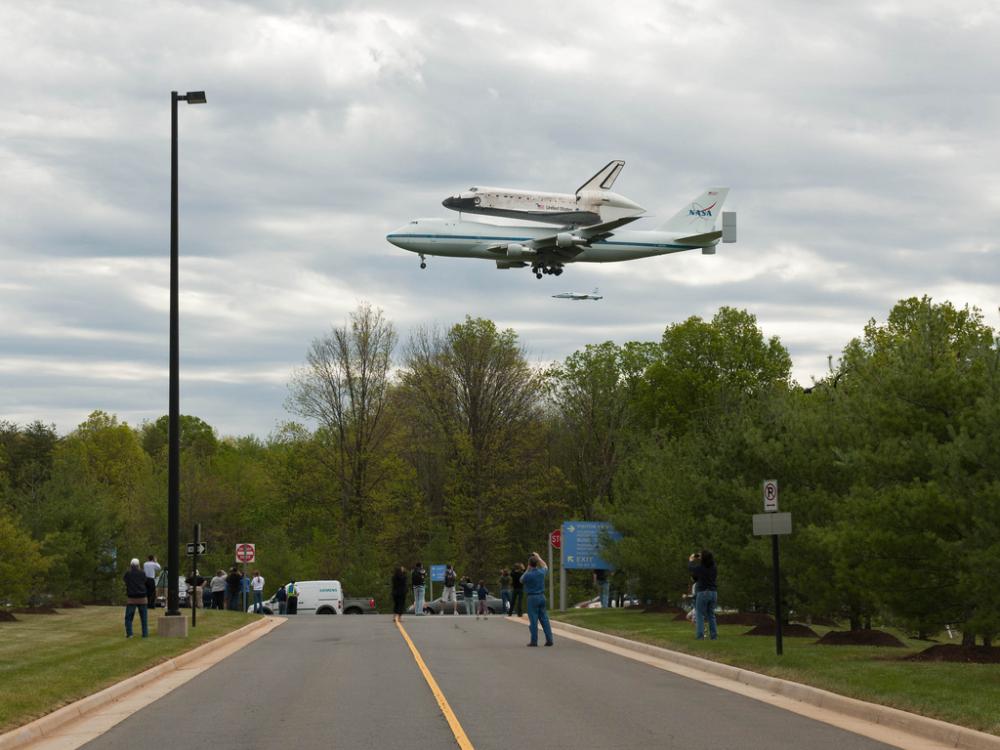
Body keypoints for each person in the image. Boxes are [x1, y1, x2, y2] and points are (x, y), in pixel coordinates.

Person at [522, 552, 553, 646]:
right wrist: (539, 557)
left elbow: (521, 579)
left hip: (532, 597)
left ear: (529, 564)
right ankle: (549, 639)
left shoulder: (528, 575)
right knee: (544, 619)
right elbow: (545, 566)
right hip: (542, 596)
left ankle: (534, 641)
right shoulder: (541, 572)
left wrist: (527, 569)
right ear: (536, 563)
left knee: (533, 620)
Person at [688, 550, 718, 640]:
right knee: (711, 615)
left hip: (703, 592)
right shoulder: (714, 567)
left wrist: (691, 559)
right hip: (713, 592)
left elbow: (690, 568)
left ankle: (700, 636)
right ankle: (714, 636)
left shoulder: (700, 568)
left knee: (700, 615)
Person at [124, 558, 149, 638]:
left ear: (131, 565)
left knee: (129, 618)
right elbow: (145, 581)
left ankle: (130, 634)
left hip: (131, 598)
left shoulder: (128, 573)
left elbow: (125, 581)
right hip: (142, 598)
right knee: (144, 618)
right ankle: (145, 634)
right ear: (138, 565)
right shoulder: (142, 573)